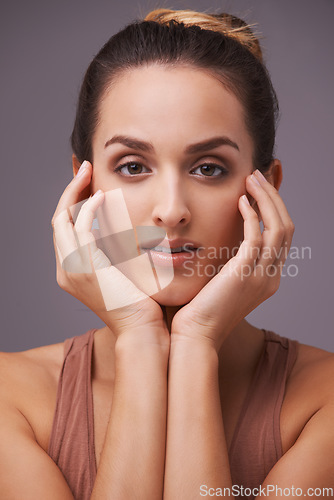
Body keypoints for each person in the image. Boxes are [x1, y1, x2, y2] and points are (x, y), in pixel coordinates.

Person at [1, 7, 333, 500]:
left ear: (267, 188)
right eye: (133, 166)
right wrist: (138, 339)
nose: (172, 211)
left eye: (208, 168)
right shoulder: (11, 397)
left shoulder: (322, 402)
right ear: (83, 184)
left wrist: (196, 344)